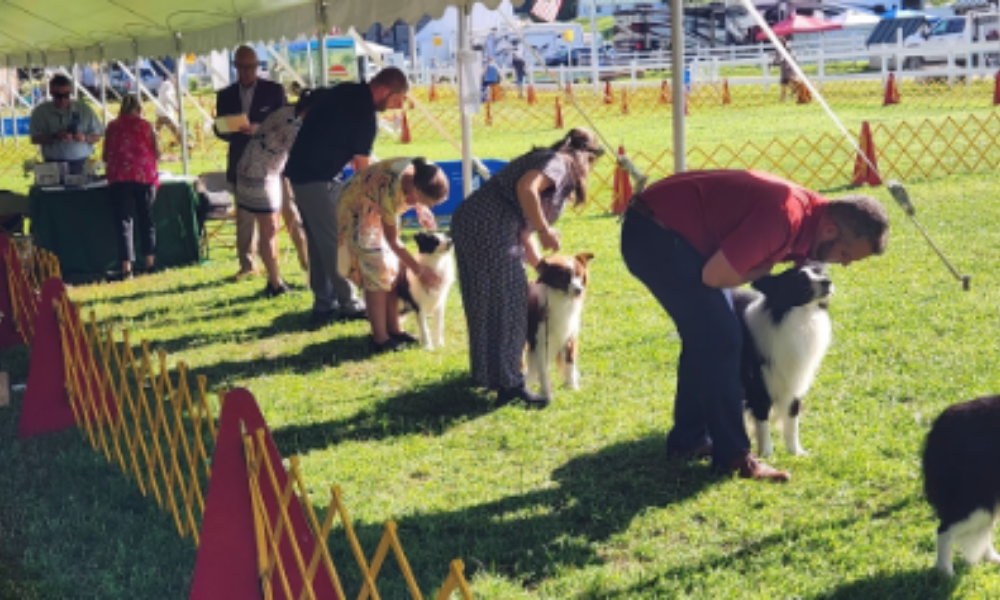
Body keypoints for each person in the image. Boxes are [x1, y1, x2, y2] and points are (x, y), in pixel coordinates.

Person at [619, 169, 890, 482]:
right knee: (721, 337)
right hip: (653, 233)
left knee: (709, 331)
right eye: (845, 255)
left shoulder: (814, 217)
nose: (843, 264)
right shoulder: (784, 219)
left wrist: (765, 275)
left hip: (671, 228)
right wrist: (761, 273)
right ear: (830, 229)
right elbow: (714, 276)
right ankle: (734, 456)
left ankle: (689, 440)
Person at [451, 128, 603, 408]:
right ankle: (510, 385)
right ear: (586, 157)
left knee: (486, 300)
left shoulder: (550, 161)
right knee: (511, 303)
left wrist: (541, 268)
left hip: (474, 222)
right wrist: (546, 231)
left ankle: (489, 375)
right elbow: (526, 188)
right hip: (489, 227)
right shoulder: (558, 163)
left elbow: (524, 231)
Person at [285, 67, 409, 327]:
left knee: (320, 241)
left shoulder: (346, 90)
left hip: (301, 170)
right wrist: (375, 202)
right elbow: (362, 169)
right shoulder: (364, 114)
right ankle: (348, 302)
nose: (394, 107)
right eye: (396, 100)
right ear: (385, 90)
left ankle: (323, 302)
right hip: (313, 175)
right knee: (333, 241)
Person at [336, 158, 449, 353]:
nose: (426, 206)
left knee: (394, 267)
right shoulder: (389, 190)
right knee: (377, 270)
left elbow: (416, 194)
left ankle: (394, 329)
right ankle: (380, 338)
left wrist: (420, 208)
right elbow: (393, 241)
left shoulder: (425, 172)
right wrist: (419, 270)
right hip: (357, 210)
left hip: (377, 206)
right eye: (424, 202)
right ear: (414, 189)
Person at [235, 89, 321, 298]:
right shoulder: (293, 126)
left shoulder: (287, 111)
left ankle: (275, 280)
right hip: (258, 173)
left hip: (260, 170)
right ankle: (275, 283)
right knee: (269, 228)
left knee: (269, 228)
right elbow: (301, 157)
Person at [214, 45, 288, 280]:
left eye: (250, 67)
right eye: (241, 67)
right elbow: (220, 129)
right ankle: (247, 265)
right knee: (244, 218)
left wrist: (260, 129)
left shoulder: (274, 91)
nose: (245, 72)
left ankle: (286, 263)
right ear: (235, 67)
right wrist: (230, 129)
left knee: (279, 216)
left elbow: (285, 124)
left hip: (271, 165)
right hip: (240, 163)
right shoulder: (225, 95)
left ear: (257, 67)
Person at [102, 94, 160, 279]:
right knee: (147, 220)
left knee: (124, 222)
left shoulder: (112, 126)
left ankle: (127, 267)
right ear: (139, 109)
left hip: (120, 177)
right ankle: (150, 263)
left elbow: (105, 155)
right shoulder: (146, 125)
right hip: (145, 176)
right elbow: (157, 153)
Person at [29, 74, 104, 174]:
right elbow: (35, 138)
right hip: (52, 164)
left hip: (81, 163)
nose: (62, 99)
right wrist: (54, 137)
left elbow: (97, 136)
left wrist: (85, 138)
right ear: (51, 93)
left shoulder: (84, 110)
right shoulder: (40, 112)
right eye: (58, 96)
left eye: (66, 95)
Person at [155, 75, 185, 147]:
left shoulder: (164, 84)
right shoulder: (169, 85)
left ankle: (150, 144)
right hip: (166, 113)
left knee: (156, 132)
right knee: (175, 130)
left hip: (160, 112)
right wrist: (176, 106)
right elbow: (167, 96)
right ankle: (185, 145)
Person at [773, 37, 797, 102]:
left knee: (792, 86)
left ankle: (795, 97)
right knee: (783, 86)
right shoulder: (778, 50)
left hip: (789, 71)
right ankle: (782, 99)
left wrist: (789, 63)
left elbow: (793, 56)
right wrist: (773, 64)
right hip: (783, 71)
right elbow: (776, 60)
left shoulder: (788, 49)